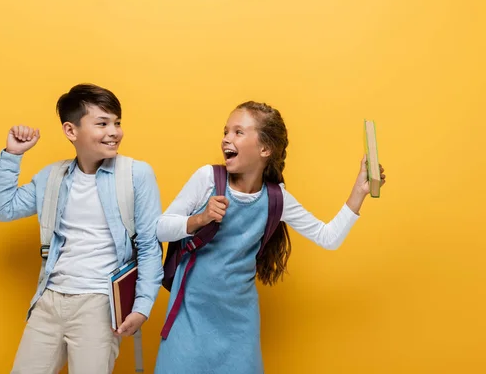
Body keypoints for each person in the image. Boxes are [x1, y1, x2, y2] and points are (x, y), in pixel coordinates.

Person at [154, 101, 386, 374]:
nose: (226, 138)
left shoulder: (277, 198)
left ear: (265, 149)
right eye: (226, 131)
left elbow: (328, 237)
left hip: (239, 325)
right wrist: (199, 219)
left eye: (239, 132)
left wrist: (358, 192)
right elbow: (160, 228)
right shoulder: (207, 178)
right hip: (188, 316)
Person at [0, 83, 163, 374]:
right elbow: (4, 208)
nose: (114, 131)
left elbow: (149, 245)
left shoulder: (136, 174)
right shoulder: (52, 177)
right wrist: (12, 154)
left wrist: (142, 306)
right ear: (71, 131)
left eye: (117, 122)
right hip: (50, 300)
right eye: (102, 123)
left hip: (98, 304)